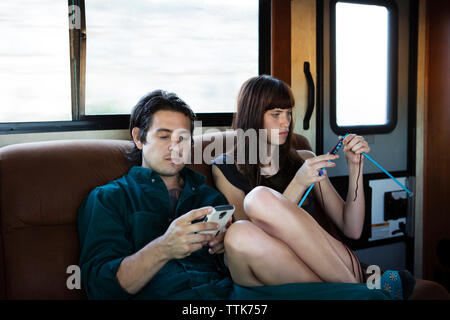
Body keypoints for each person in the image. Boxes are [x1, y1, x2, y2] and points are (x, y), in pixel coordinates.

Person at [78, 88, 391, 300]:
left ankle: (362, 291)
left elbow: (244, 251)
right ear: (138, 137)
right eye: (163, 136)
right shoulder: (109, 198)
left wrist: (219, 246)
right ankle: (365, 292)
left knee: (239, 232)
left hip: (235, 293)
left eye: (184, 137)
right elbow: (100, 287)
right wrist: (163, 247)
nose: (176, 147)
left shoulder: (206, 195)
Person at [212, 75, 417, 299]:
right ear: (252, 117)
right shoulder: (226, 167)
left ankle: (355, 293)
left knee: (257, 202)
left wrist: (355, 166)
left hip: (318, 270)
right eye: (276, 114)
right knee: (252, 208)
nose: (286, 122)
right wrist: (298, 184)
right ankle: (358, 292)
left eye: (289, 113)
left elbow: (352, 228)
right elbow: (252, 239)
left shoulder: (303, 159)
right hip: (265, 269)